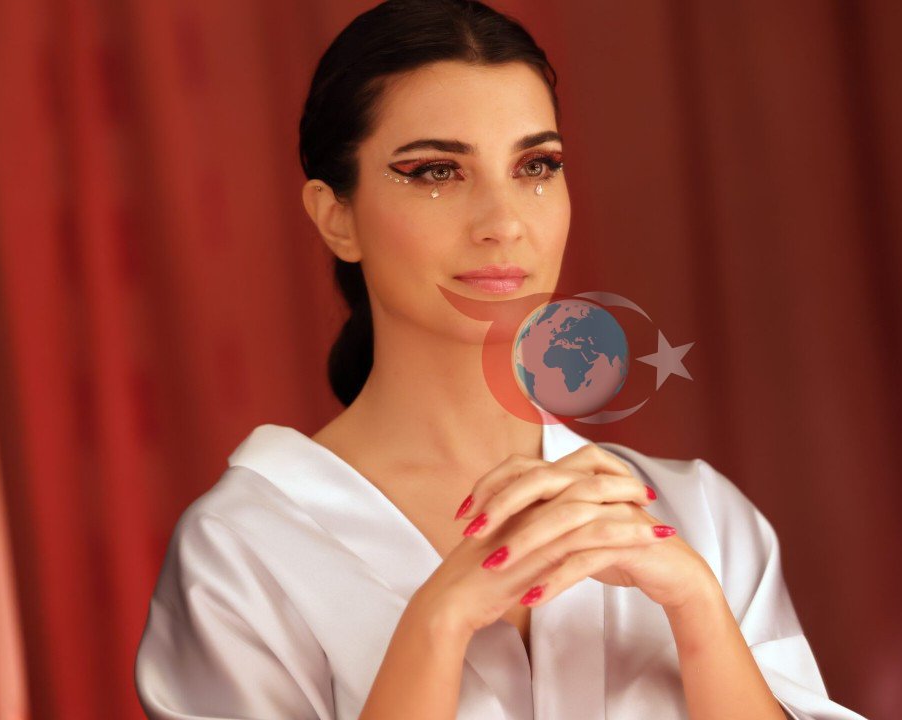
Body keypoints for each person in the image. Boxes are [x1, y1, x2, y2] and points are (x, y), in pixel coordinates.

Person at [134, 1, 864, 718]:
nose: (504, 222)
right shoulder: (243, 551)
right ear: (336, 217)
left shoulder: (700, 518)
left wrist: (700, 611)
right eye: (435, 172)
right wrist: (435, 628)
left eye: (536, 165)